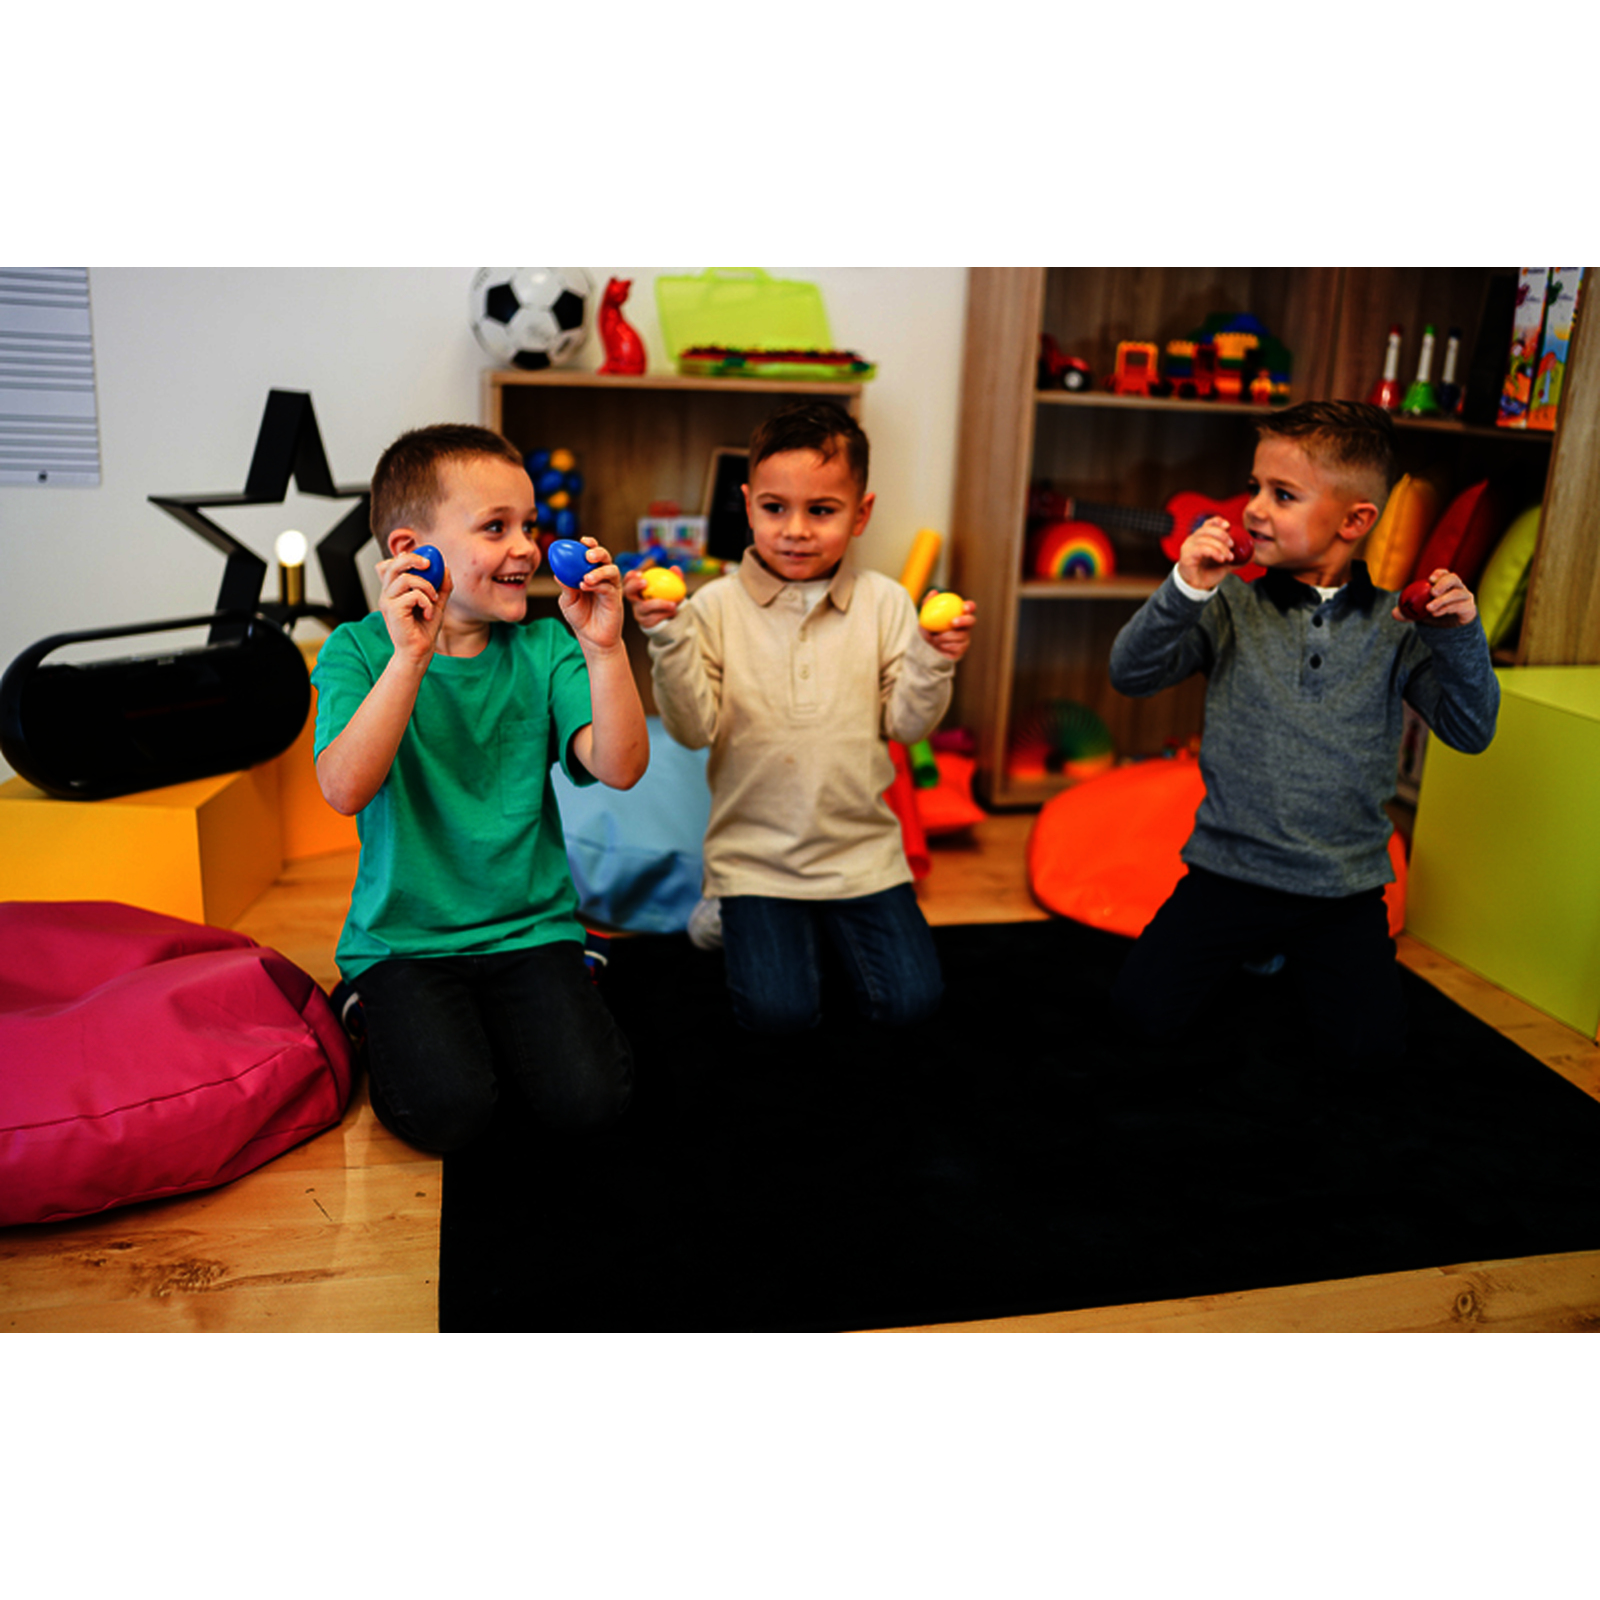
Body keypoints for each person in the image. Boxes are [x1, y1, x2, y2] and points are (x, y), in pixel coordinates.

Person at [1106, 399, 1499, 1059]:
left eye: (1282, 494)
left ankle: (1282, 956)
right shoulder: (1228, 605)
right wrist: (1185, 588)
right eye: (1255, 486)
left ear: (1355, 521)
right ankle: (1259, 952)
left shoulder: (1397, 628)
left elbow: (1470, 729)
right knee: (1139, 1017)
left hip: (1342, 890)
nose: (1254, 508)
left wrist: (1460, 637)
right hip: (1227, 873)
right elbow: (1130, 673)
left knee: (1370, 1054)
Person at [311, 423, 649, 1152]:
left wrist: (605, 648)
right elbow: (343, 789)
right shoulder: (356, 651)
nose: (527, 547)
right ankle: (365, 1005)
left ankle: (568, 966)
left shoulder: (547, 645)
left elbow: (621, 767)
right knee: (450, 1114)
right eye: (496, 527)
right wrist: (410, 660)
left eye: (530, 524)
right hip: (404, 943)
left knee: (590, 1103)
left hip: (529, 928)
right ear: (412, 551)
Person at [625, 399, 975, 1035]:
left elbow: (909, 726)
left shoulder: (887, 604)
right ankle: (729, 911)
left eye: (821, 510)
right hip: (754, 861)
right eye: (774, 508)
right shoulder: (712, 608)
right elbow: (692, 731)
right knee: (778, 1015)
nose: (795, 530)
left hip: (863, 856)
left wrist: (933, 656)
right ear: (747, 504)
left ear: (861, 513)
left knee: (912, 1004)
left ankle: (808, 928)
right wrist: (668, 638)